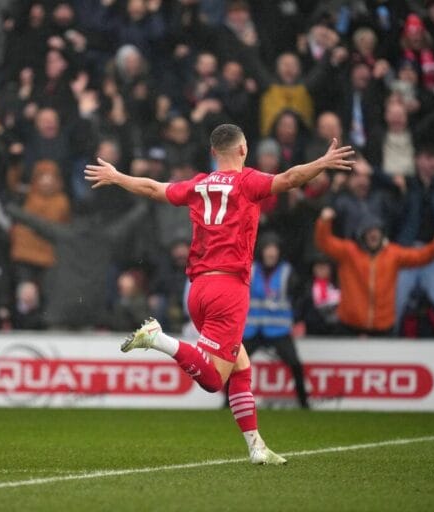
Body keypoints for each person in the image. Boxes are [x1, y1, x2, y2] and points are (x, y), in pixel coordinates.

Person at [84, 123, 354, 465]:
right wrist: (322, 162)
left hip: (197, 289)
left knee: (240, 366)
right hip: (228, 289)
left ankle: (256, 446)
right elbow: (289, 179)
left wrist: (117, 175)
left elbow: (154, 188)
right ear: (243, 150)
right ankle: (157, 338)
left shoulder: (199, 183)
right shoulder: (248, 181)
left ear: (214, 153)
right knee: (214, 380)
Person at [315, 208, 434, 336]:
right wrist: (324, 221)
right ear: (362, 234)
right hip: (350, 326)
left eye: (376, 231)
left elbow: (419, 257)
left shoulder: (392, 254)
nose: (373, 235)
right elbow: (324, 243)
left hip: (383, 327)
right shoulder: (349, 252)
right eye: (369, 231)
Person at [243, 233, 309, 409]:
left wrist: (297, 319)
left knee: (295, 364)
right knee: (235, 365)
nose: (271, 253)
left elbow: (301, 298)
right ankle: (228, 402)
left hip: (277, 330)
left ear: (279, 252)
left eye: (274, 249)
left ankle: (304, 403)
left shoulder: (288, 272)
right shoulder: (250, 269)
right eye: (267, 249)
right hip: (252, 329)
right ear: (262, 251)